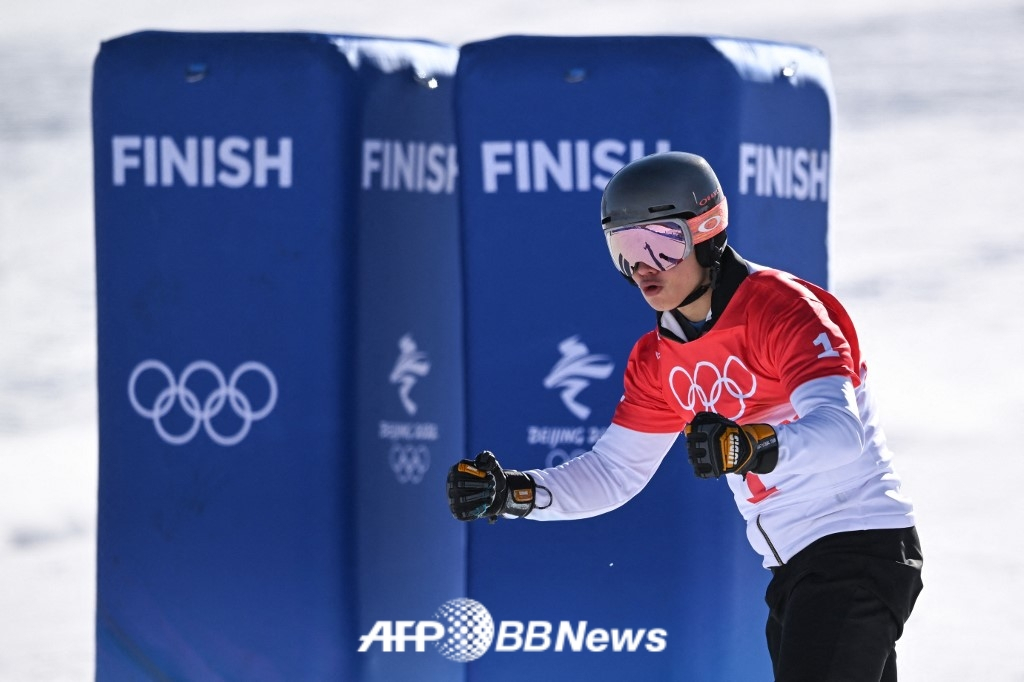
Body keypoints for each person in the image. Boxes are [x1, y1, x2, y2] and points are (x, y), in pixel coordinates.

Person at [446, 151, 923, 681]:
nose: (641, 266)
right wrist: (516, 492)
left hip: (854, 545)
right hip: (792, 564)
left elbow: (840, 432)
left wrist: (753, 445)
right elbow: (613, 473)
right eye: (623, 249)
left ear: (707, 232)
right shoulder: (657, 359)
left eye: (659, 244)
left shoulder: (782, 309)